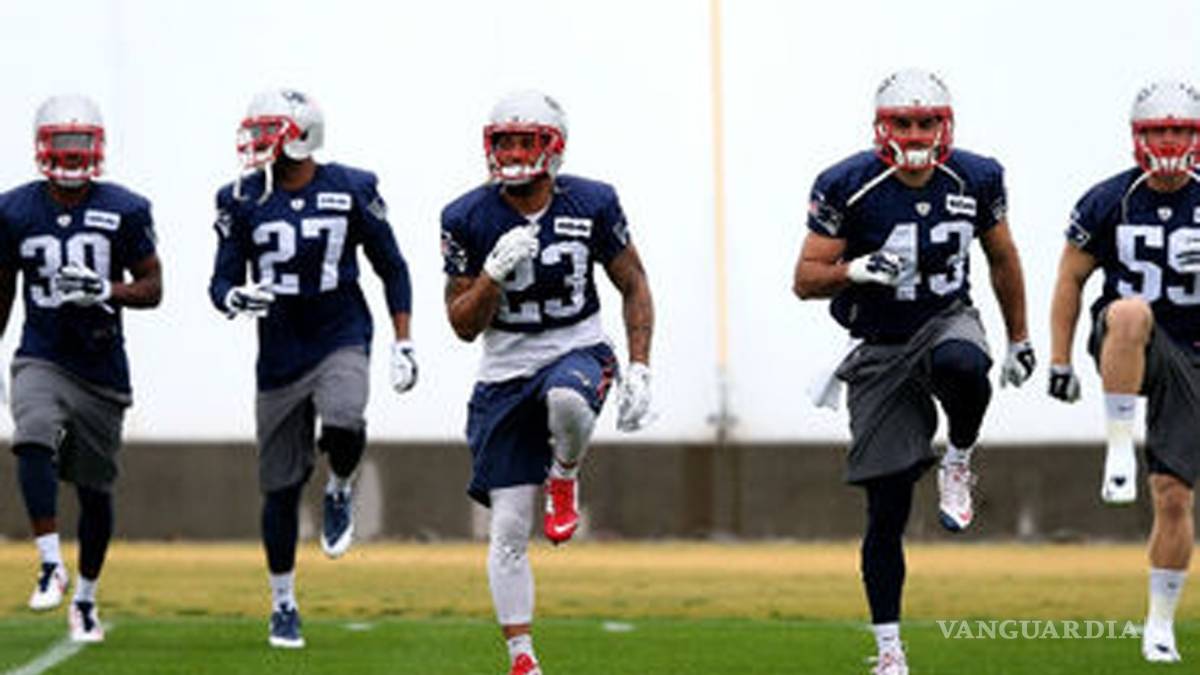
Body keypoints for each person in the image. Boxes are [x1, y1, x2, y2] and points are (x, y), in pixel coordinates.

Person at [792, 69, 1034, 675]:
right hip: (879, 345)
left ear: (945, 125)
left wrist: (1019, 338)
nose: (917, 133)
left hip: (946, 318)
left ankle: (959, 457)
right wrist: (853, 271)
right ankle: (890, 650)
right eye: (904, 122)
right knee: (887, 505)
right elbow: (804, 279)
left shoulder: (977, 176)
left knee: (964, 363)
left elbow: (1002, 256)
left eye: (927, 122)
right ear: (882, 126)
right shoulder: (846, 183)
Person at [441, 90, 654, 675]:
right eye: (503, 142)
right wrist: (490, 275)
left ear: (553, 147)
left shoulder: (593, 201)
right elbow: (462, 325)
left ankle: (564, 474)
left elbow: (633, 282)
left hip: (574, 346)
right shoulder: (465, 216)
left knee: (566, 398)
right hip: (503, 370)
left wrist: (640, 365)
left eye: (525, 141)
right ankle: (523, 658)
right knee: (509, 526)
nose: (512, 153)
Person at [207, 88, 417, 649]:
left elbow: (392, 266)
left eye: (268, 131)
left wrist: (403, 340)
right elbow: (221, 279)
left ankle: (340, 487)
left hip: (339, 335)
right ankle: (283, 603)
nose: (257, 142)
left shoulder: (352, 187)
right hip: (278, 354)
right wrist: (232, 298)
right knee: (279, 489)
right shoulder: (240, 197)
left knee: (344, 419)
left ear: (301, 134)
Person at [0, 94, 163, 642]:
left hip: (100, 366)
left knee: (94, 492)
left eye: (81, 143)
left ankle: (86, 598)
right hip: (41, 354)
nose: (71, 155)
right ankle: (50, 563)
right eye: (62, 143)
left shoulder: (127, 208)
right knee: (31, 437)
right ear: (42, 145)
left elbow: (153, 287)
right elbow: (3, 292)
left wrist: (107, 290)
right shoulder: (12, 210)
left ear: (97, 145)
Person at [1048, 80, 1200, 663]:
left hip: (1194, 353)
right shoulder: (1110, 199)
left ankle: (1159, 625)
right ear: (1138, 136)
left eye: (1179, 130)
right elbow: (1070, 279)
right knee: (1132, 311)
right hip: (1129, 343)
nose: (1169, 141)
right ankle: (1119, 447)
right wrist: (1060, 359)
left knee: (1174, 496)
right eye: (1158, 130)